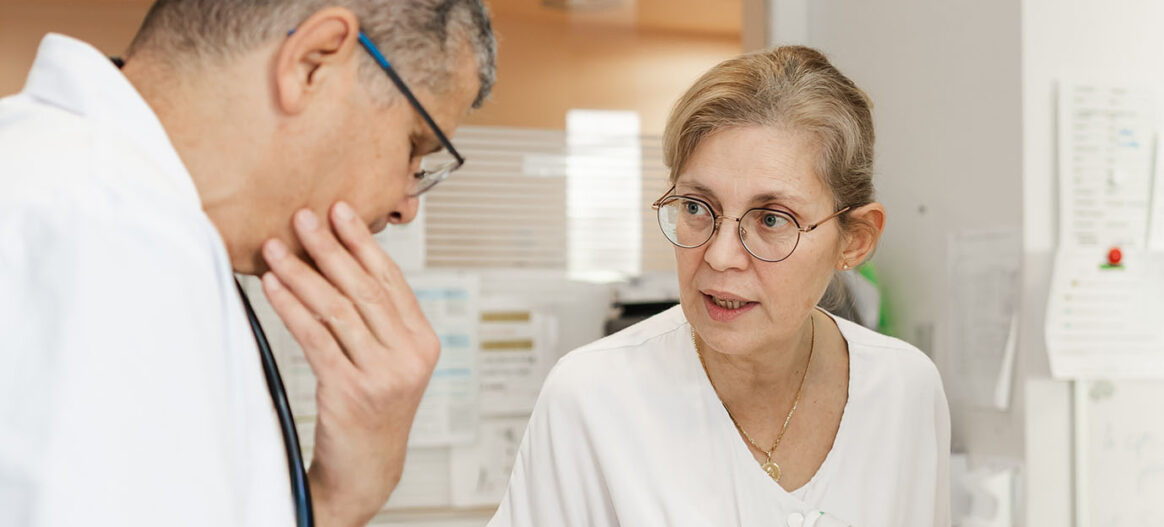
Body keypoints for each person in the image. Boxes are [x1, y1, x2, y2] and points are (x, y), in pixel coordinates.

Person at [0, 1, 495, 525]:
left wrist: (336, 499)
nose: (406, 205)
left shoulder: (75, 188)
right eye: (414, 146)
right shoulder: (111, 233)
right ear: (313, 63)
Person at [490, 47, 950, 527]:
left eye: (773, 219)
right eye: (695, 207)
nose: (719, 256)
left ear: (854, 240)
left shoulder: (905, 389)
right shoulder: (591, 396)